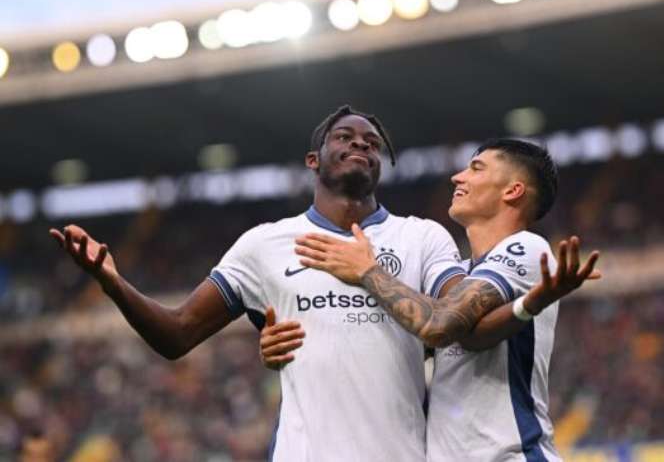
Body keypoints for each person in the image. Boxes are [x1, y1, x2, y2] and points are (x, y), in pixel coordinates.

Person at [49, 105, 469, 462]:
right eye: (344, 137)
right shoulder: (265, 244)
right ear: (313, 160)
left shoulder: (421, 237)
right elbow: (178, 333)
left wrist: (370, 274)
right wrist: (113, 283)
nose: (360, 144)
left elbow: (457, 320)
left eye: (372, 143)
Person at [290, 138, 600, 461]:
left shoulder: (526, 247)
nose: (457, 177)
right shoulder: (460, 274)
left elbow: (439, 324)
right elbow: (464, 336)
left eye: (476, 168)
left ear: (512, 191)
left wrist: (368, 271)